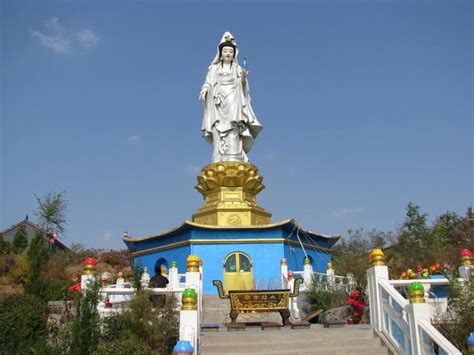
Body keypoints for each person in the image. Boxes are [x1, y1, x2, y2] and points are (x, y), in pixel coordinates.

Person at [199, 32, 263, 163]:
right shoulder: (214, 68)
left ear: (234, 54)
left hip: (233, 100)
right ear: (220, 53)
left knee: (233, 126)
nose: (228, 53)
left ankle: (235, 157)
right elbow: (208, 82)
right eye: (225, 51)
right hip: (218, 101)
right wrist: (205, 90)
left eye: (230, 51)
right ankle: (219, 157)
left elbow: (243, 85)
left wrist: (244, 77)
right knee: (218, 128)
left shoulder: (237, 68)